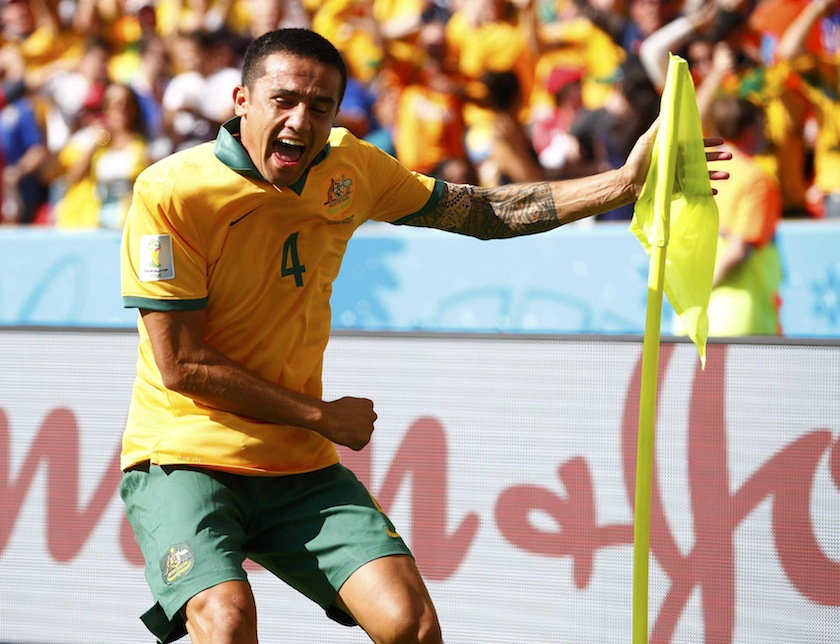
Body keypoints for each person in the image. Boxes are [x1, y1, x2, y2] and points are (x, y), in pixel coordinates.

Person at [119, 28, 730, 643]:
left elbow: (486, 212)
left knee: (410, 626)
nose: (301, 122)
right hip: (182, 457)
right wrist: (321, 415)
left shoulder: (351, 166)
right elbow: (183, 366)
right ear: (241, 99)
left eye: (321, 106)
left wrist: (624, 184)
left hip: (295, 463)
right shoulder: (171, 193)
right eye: (284, 101)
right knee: (225, 620)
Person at [706, 95, 784, 335]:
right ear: (750, 131)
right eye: (763, 126)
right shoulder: (756, 179)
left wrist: (694, 293)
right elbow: (739, 250)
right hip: (742, 314)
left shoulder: (700, 170)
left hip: (694, 314)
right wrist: (706, 287)